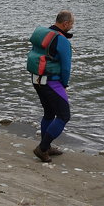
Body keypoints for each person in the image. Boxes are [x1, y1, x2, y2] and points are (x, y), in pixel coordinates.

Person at [25, 10, 74, 162]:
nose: (72, 26)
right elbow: (66, 67)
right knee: (64, 115)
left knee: (49, 113)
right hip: (51, 81)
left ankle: (46, 147)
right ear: (65, 24)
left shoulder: (46, 34)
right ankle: (42, 148)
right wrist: (64, 84)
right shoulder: (62, 41)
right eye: (72, 24)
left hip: (36, 79)